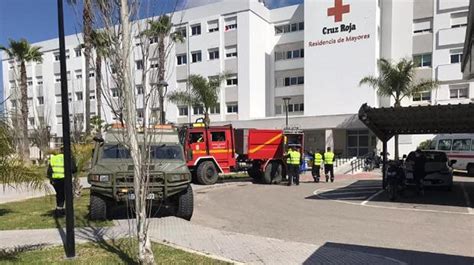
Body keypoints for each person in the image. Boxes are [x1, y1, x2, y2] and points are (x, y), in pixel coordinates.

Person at [47, 146, 77, 217]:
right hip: (65, 180)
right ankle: (67, 211)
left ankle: (59, 211)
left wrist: (51, 180)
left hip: (56, 181)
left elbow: (49, 171)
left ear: (61, 151)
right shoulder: (69, 158)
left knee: (59, 195)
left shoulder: (54, 158)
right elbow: (73, 169)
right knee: (67, 195)